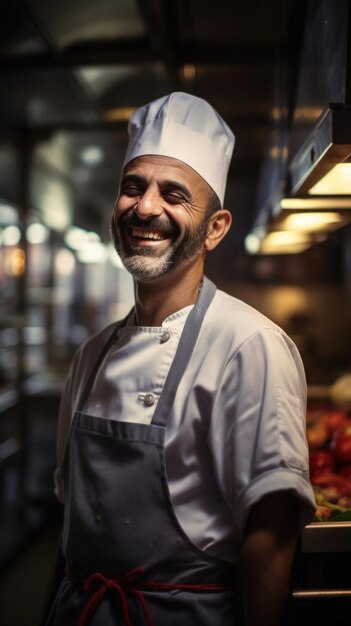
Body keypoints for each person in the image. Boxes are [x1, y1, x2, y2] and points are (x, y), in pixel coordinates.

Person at [47, 92, 316, 626]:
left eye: (173, 194)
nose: (145, 207)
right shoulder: (90, 357)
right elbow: (74, 530)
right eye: (133, 187)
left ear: (215, 227)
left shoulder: (250, 347)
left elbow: (271, 537)